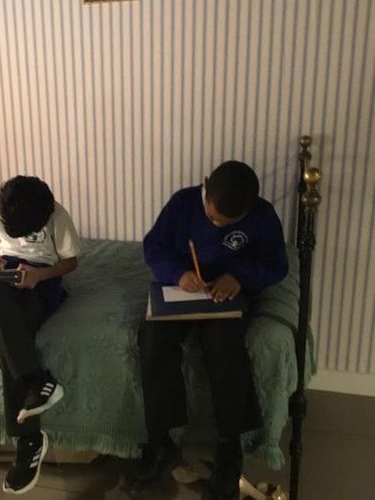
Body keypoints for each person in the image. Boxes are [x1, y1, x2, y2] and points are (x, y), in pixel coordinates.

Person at [127, 161, 288, 500]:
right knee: (153, 339)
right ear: (204, 186)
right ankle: (161, 440)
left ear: (250, 208)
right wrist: (178, 273)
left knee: (224, 346)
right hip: (182, 290)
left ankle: (229, 447)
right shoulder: (183, 203)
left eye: (227, 224)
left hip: (226, 296)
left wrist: (240, 277)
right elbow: (153, 248)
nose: (217, 225)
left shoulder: (263, 216)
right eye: (213, 217)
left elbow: (276, 266)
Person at [0, 175, 80, 495]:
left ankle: (28, 441)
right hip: (3, 275)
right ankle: (38, 381)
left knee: (13, 336)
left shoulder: (56, 215)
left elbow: (70, 262)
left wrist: (40, 274)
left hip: (41, 277)